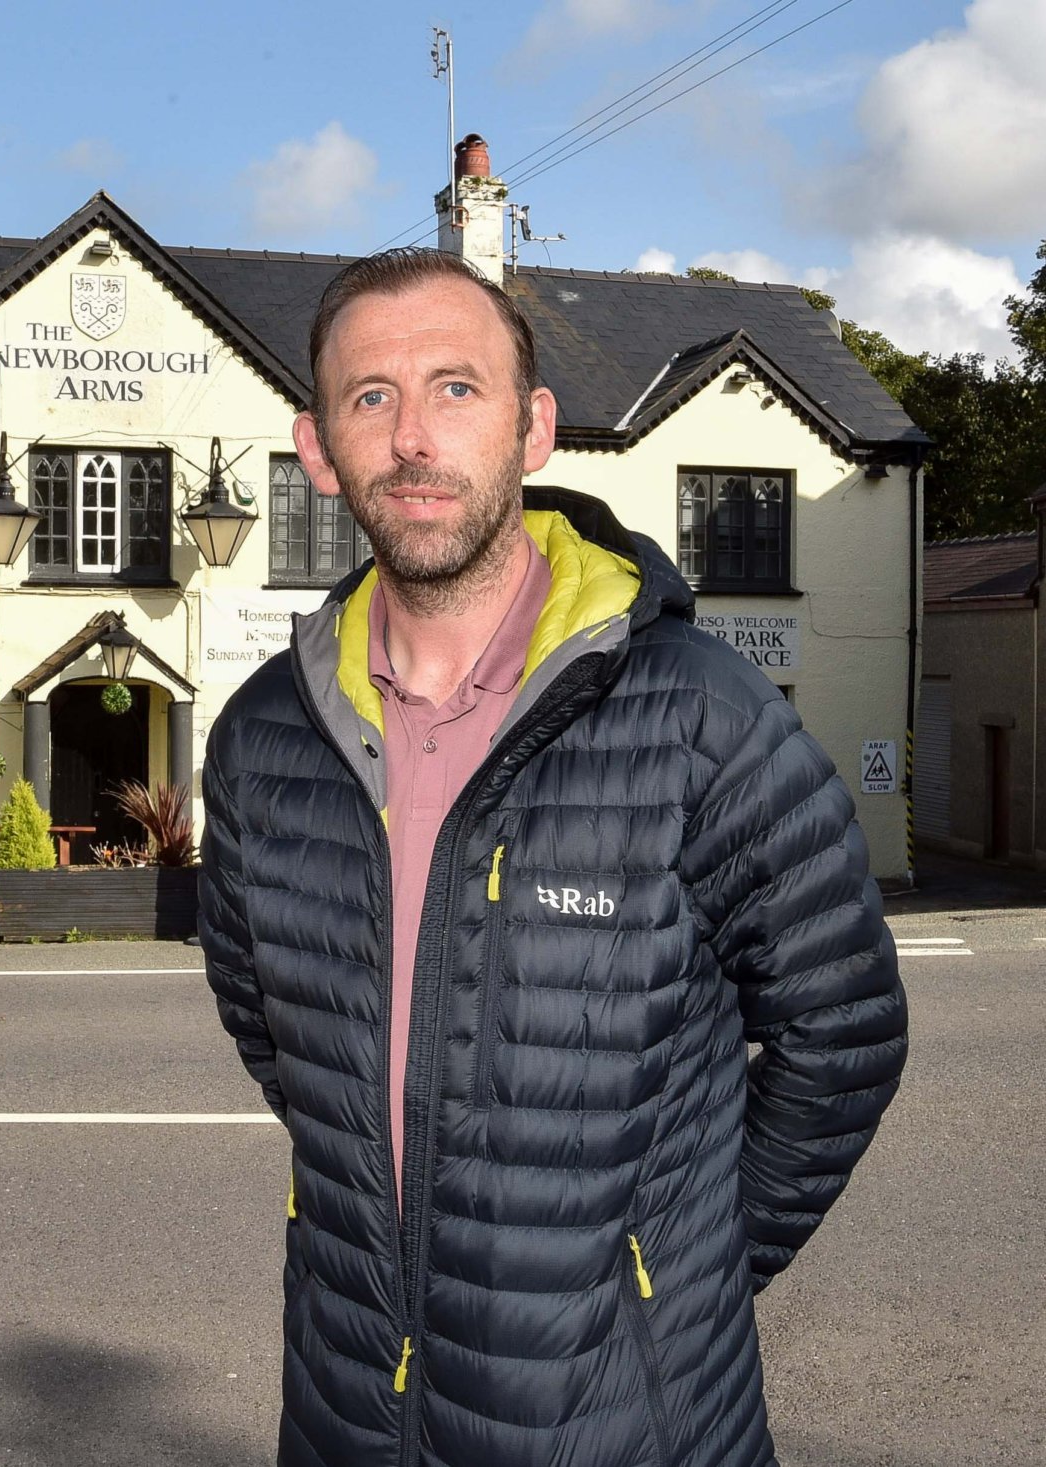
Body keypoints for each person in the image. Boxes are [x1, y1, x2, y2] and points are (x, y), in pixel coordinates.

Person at [198, 247, 908, 1467]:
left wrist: (667, 1279)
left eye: (454, 388)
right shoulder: (263, 736)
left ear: (533, 430)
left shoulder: (700, 715)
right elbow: (273, 1028)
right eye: (370, 396)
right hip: (347, 1407)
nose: (412, 435)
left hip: (629, 1424)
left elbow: (840, 1032)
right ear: (317, 449)